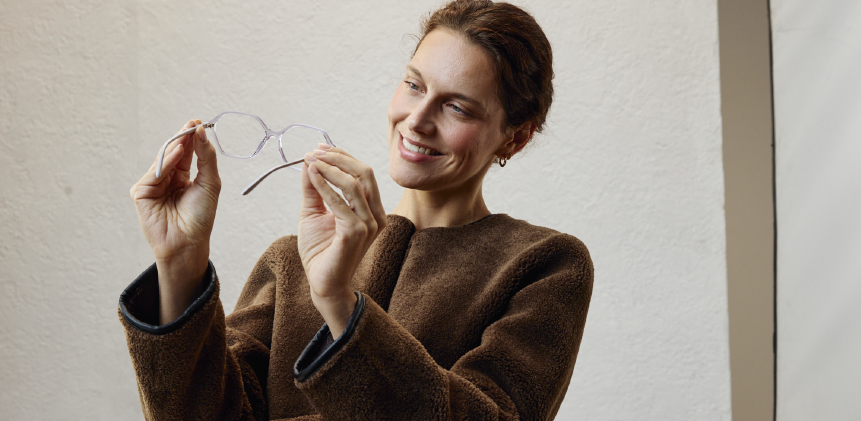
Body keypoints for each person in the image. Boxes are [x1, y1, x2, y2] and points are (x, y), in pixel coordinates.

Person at [119, 1, 593, 419]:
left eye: (458, 108)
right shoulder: (289, 263)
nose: (417, 120)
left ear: (516, 136)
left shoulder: (545, 266)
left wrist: (339, 303)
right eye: (413, 85)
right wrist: (181, 261)